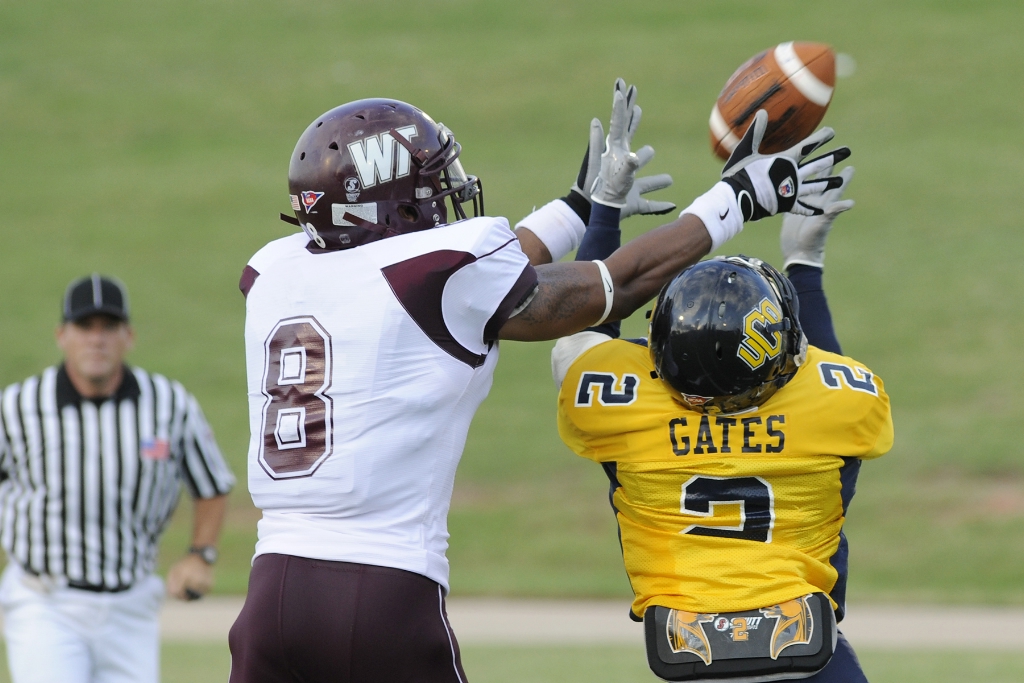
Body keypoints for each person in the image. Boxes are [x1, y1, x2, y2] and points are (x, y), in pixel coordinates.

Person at [228, 81, 850, 683]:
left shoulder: (275, 271)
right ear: (393, 202)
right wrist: (735, 199)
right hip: (377, 592)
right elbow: (613, 287)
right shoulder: (429, 275)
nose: (444, 193)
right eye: (429, 184)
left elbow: (478, 282)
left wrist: (581, 207)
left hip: (270, 591)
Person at [553, 159, 892, 682]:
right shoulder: (842, 400)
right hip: (804, 651)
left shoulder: (615, 401)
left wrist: (604, 214)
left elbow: (585, 320)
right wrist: (805, 265)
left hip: (686, 647)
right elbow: (824, 371)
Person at [0, 274, 236, 683]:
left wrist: (201, 554)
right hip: (45, 600)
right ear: (62, 335)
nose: (97, 340)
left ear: (129, 336)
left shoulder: (168, 404)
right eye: (84, 327)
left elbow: (212, 484)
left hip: (131, 604)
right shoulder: (19, 406)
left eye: (109, 327)